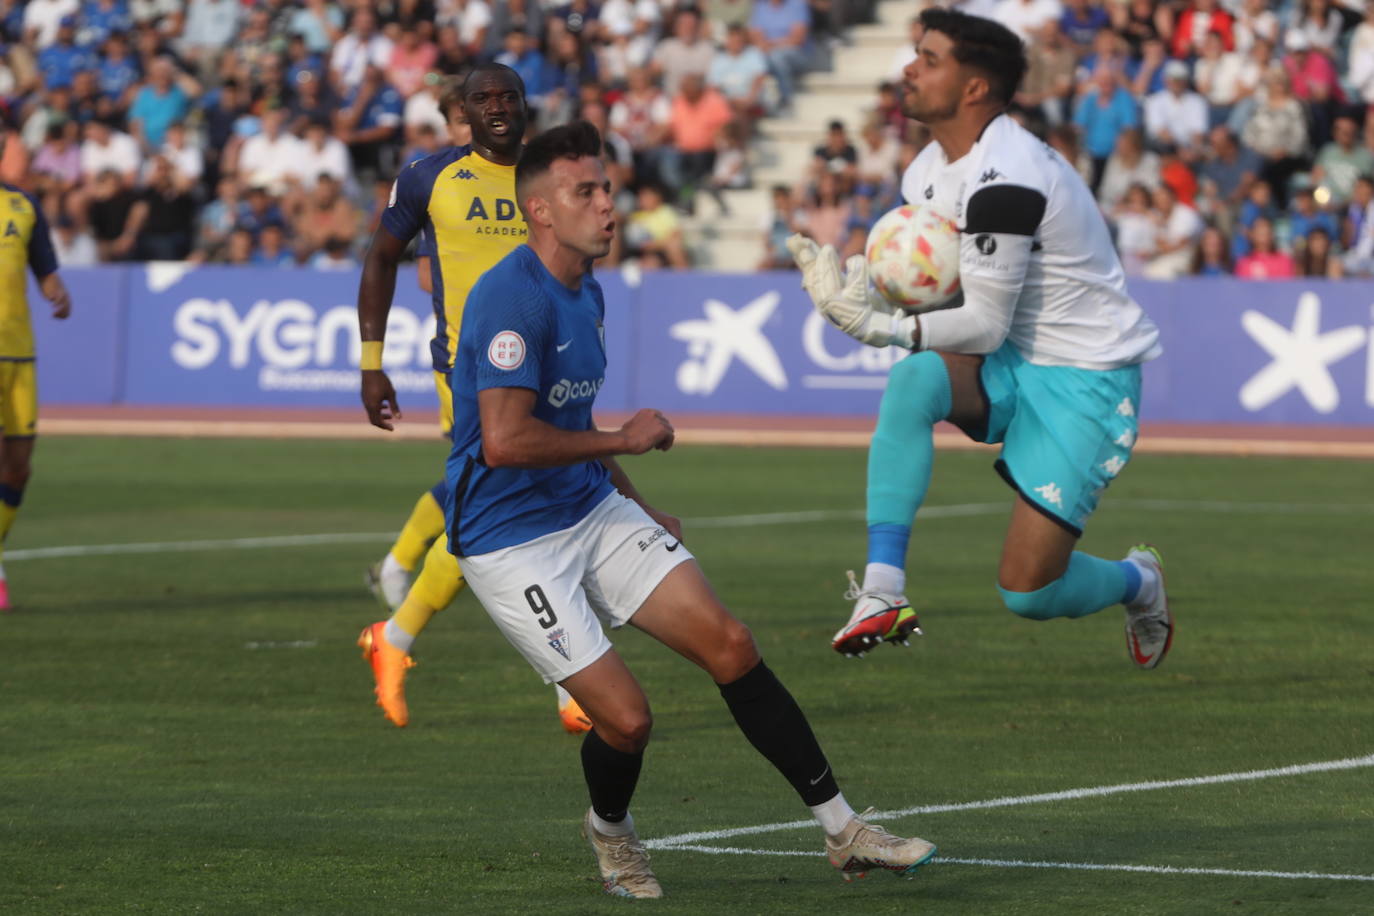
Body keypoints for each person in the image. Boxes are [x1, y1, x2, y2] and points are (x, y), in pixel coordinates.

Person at [446, 119, 936, 898]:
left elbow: (567, 425)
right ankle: (611, 835)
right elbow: (504, 442)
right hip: (509, 541)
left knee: (732, 645)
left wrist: (637, 504)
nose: (609, 204)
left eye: (606, 187)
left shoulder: (588, 290)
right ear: (540, 210)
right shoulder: (512, 299)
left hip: (591, 508)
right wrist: (628, 441)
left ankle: (844, 832)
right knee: (628, 721)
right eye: (587, 191)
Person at [787, 9, 1173, 669]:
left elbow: (985, 320)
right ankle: (883, 589)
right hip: (1011, 360)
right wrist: (874, 291)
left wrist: (883, 327)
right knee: (911, 380)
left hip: (1086, 378)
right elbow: (951, 289)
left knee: (1029, 593)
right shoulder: (925, 173)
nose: (909, 68)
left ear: (974, 88)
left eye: (929, 59)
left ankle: (1139, 580)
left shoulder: (1011, 172)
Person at [355, 63, 589, 734]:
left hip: (550, 371)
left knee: (503, 523)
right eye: (482, 99)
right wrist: (372, 365)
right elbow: (379, 259)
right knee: (524, 521)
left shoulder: (551, 181)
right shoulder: (431, 178)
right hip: (470, 377)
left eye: (506, 98)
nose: (496, 108)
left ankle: (395, 637)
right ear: (463, 109)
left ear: (524, 107)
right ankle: (570, 684)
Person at [0, 145, 72, 609]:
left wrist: (57, 293)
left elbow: (46, 271)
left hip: (19, 355)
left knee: (19, 466)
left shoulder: (24, 206)